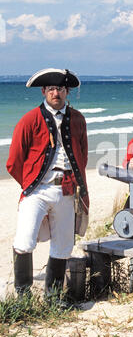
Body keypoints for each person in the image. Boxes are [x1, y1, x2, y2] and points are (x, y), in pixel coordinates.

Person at [6, 68, 89, 304]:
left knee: (63, 246)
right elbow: (13, 161)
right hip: (37, 190)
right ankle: (23, 297)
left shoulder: (78, 119)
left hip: (66, 190)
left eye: (60, 89)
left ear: (67, 91)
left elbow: (82, 156)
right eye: (51, 89)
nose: (56, 93)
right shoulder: (30, 119)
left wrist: (79, 188)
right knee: (24, 241)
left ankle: (53, 298)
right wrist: (30, 183)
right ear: (43, 91)